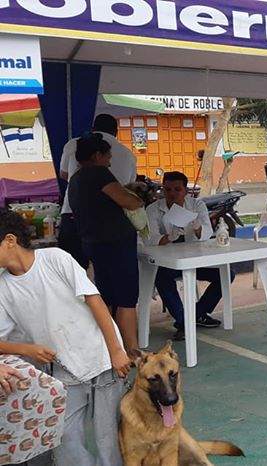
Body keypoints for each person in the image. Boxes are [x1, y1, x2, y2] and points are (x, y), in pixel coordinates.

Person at [0, 208, 130, 466]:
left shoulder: (55, 259)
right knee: (64, 438)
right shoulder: (3, 287)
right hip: (63, 371)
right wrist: (27, 350)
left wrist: (116, 350)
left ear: (10, 240)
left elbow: (95, 301)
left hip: (103, 360)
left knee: (109, 441)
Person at [67, 132, 143, 356]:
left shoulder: (76, 178)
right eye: (108, 155)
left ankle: (110, 348)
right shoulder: (98, 173)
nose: (110, 160)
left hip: (93, 242)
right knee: (126, 298)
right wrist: (137, 197)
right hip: (116, 242)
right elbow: (128, 201)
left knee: (107, 296)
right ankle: (132, 351)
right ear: (97, 155)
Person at [146, 171, 233, 340]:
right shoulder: (153, 209)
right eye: (167, 189)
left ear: (186, 191)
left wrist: (197, 228)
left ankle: (196, 314)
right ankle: (183, 321)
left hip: (194, 259)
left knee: (226, 274)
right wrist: (169, 237)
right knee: (161, 277)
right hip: (168, 262)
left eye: (177, 189)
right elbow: (150, 239)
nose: (172, 194)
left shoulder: (196, 205)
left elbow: (207, 232)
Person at [58, 114, 137, 269]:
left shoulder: (73, 146)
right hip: (108, 224)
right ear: (98, 156)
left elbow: (63, 174)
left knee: (72, 270)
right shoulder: (125, 156)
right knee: (110, 272)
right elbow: (128, 194)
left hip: (73, 214)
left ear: (93, 128)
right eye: (108, 158)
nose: (109, 163)